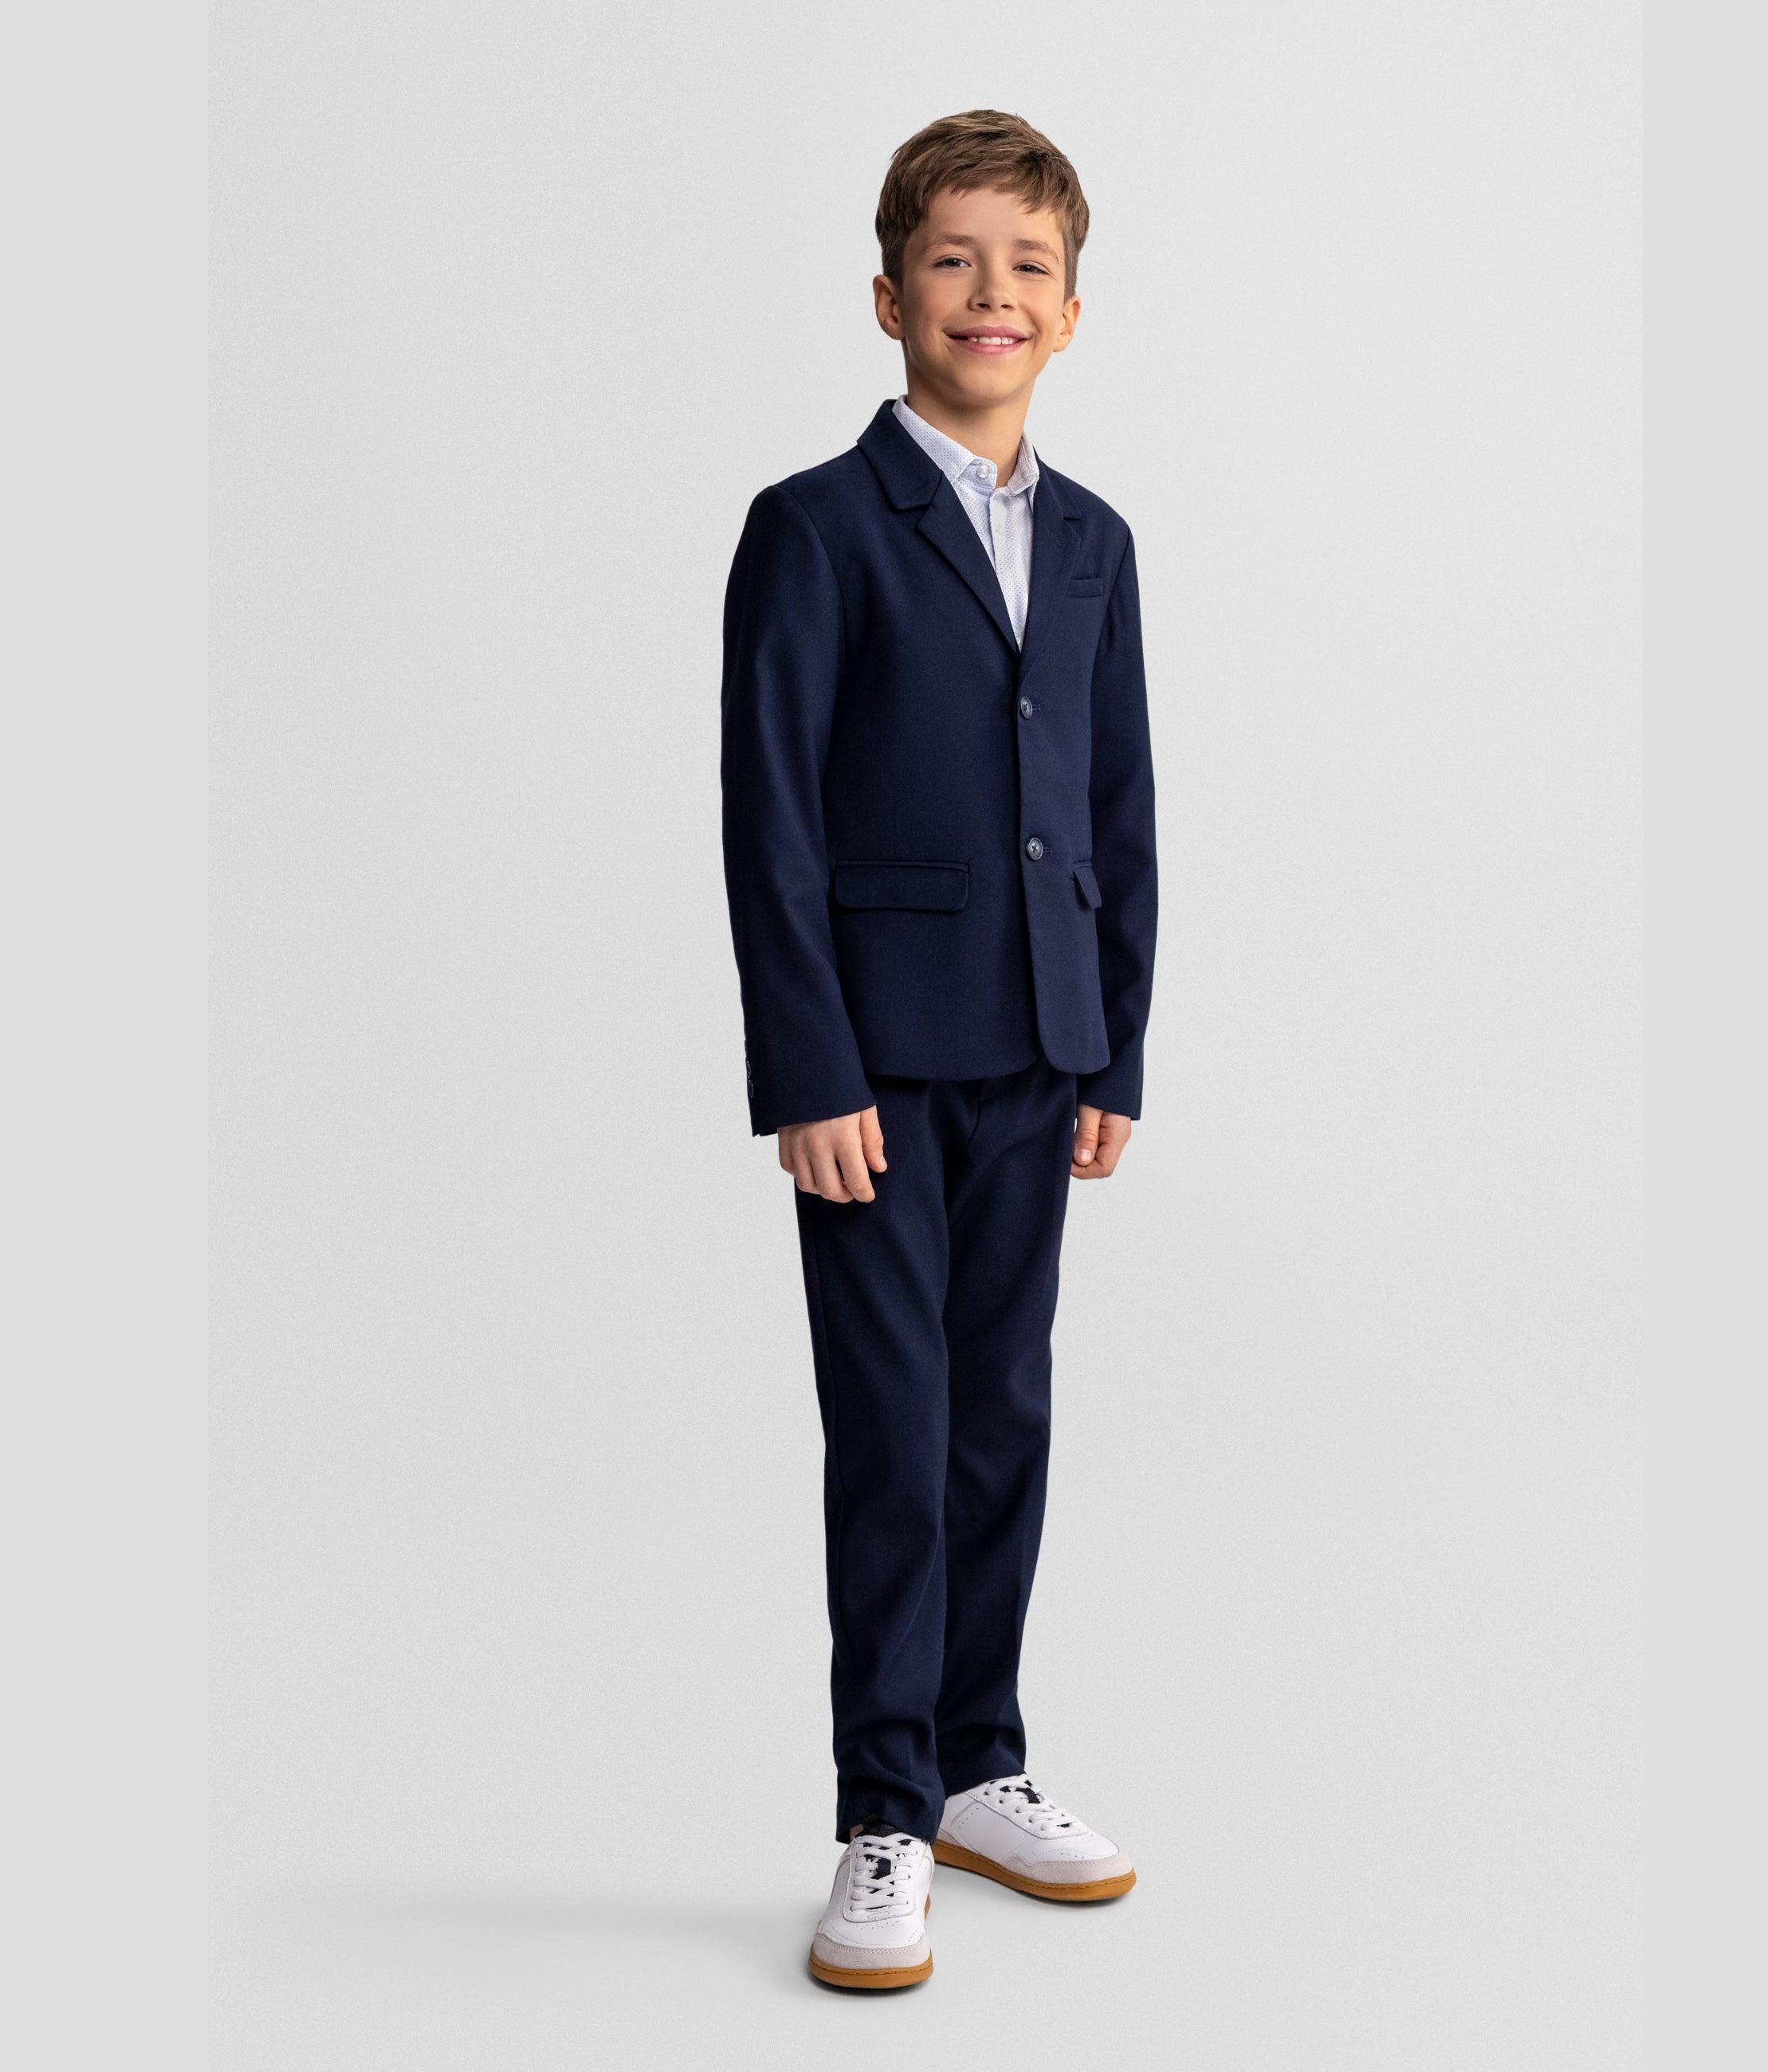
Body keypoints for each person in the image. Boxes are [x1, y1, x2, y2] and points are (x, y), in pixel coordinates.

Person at [718, 108, 1158, 1991]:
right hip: (876, 1070)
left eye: (1028, 266)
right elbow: (769, 815)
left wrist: (1115, 1043)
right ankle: (883, 1805)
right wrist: (808, 1067)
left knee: (1005, 1418)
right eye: (957, 261)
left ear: (1071, 312)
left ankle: (982, 1760)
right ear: (890, 294)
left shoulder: (1096, 541)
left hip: (1037, 1050)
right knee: (892, 1433)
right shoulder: (815, 526)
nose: (993, 294)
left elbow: (1121, 801)